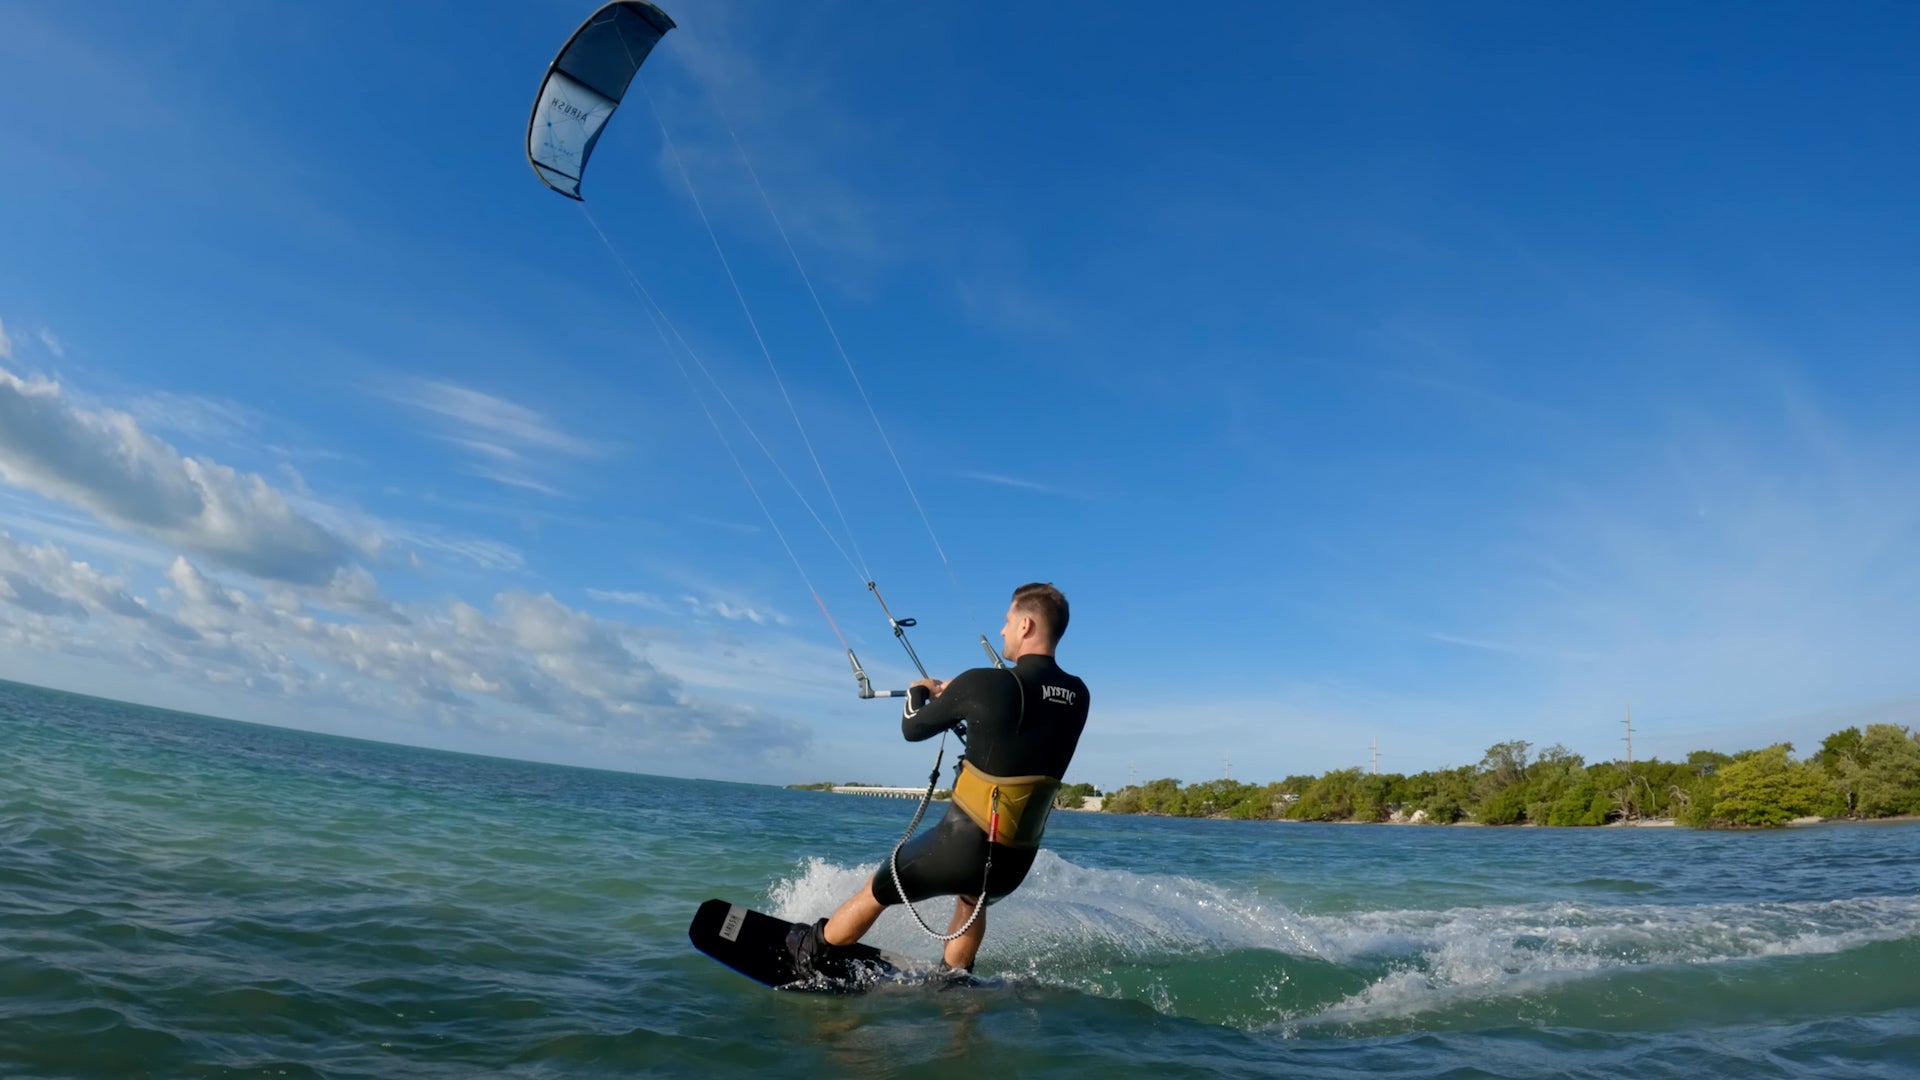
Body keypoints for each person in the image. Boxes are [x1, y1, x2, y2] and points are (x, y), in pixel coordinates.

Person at [788, 582, 1091, 978]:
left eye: (1007, 621)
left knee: (876, 890)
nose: (1002, 630)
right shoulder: (1078, 695)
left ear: (1027, 625)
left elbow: (912, 728)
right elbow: (1020, 724)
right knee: (971, 902)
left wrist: (921, 692)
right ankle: (953, 986)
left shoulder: (983, 683)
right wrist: (965, 699)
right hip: (1013, 862)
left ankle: (813, 954)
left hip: (963, 845)